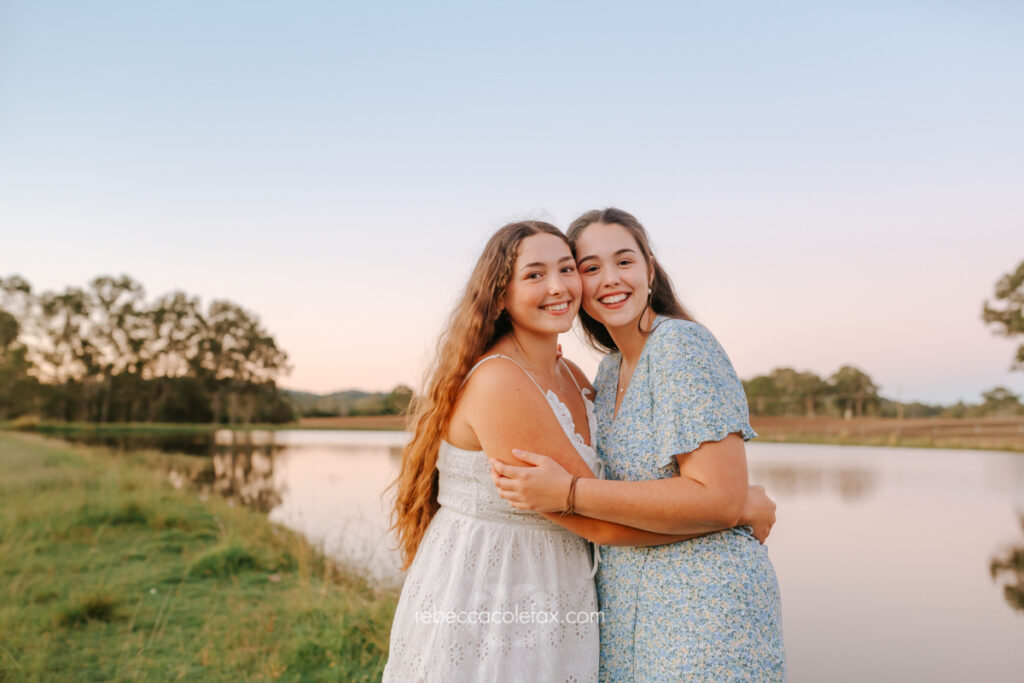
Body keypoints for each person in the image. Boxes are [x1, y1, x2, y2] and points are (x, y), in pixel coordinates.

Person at [383, 220, 775, 681]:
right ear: (500, 294)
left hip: (567, 587)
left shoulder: (578, 374)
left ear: (650, 270)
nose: (558, 286)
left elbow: (617, 487)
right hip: (500, 591)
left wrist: (723, 501)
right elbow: (598, 523)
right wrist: (733, 508)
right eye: (535, 274)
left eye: (566, 269)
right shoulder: (500, 381)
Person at [491, 208, 786, 681]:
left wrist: (570, 492)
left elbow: (719, 498)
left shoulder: (681, 346)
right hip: (631, 611)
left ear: (650, 270)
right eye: (590, 267)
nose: (610, 279)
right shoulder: (608, 371)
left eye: (624, 261)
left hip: (704, 611)